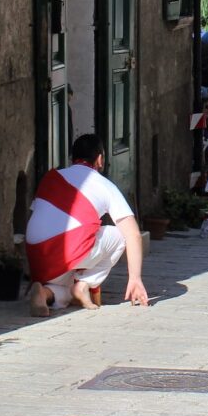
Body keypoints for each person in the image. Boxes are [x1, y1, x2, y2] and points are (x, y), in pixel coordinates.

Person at [26, 134, 149, 316]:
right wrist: (135, 278)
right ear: (99, 159)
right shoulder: (105, 185)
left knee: (66, 286)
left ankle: (45, 294)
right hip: (66, 252)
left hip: (37, 258)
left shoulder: (50, 178)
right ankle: (85, 284)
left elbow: (35, 214)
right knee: (119, 235)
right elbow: (133, 235)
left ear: (72, 157)